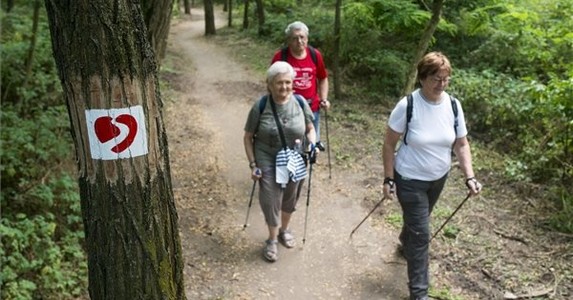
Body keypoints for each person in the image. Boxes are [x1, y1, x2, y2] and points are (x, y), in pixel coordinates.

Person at [381, 52, 482, 300]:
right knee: (422, 234)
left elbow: (461, 144)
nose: (441, 84)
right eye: (436, 79)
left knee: (419, 223)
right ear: (423, 78)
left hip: (439, 178)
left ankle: (406, 241)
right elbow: (388, 144)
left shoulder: (453, 106)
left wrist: (469, 176)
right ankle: (419, 293)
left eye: (446, 79)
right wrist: (388, 178)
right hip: (409, 178)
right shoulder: (409, 105)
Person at [243, 61, 317, 262]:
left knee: (289, 197)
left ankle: (284, 229)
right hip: (267, 157)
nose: (284, 87)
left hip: (294, 157)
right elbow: (248, 137)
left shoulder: (300, 103)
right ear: (269, 84)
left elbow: (310, 129)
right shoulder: (260, 106)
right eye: (279, 83)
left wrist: (312, 144)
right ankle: (272, 239)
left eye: (287, 82)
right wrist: (253, 164)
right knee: (270, 198)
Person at [271, 21, 330, 145]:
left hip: (312, 108)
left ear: (307, 38)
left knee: (311, 144)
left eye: (302, 37)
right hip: (287, 109)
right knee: (288, 144)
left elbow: (323, 78)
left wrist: (324, 99)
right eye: (295, 38)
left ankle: (310, 161)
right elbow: (271, 82)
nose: (299, 41)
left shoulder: (315, 55)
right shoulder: (280, 57)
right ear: (288, 40)